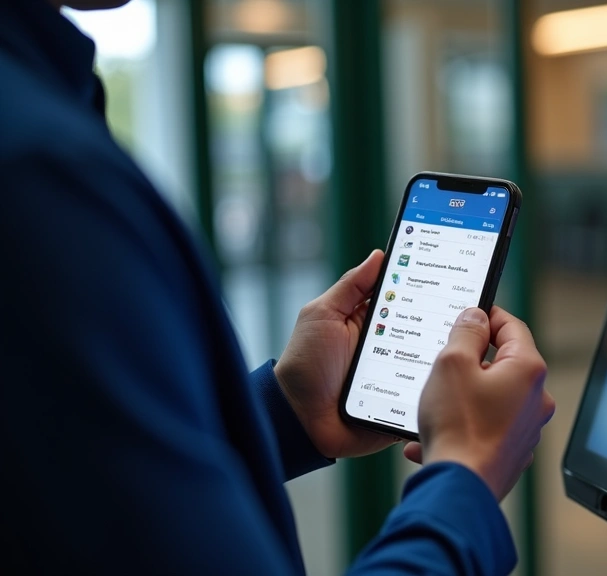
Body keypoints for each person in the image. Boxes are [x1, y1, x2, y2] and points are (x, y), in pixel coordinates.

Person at [0, 1, 556, 574]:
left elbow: (98, 502)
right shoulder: (40, 174)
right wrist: (466, 477)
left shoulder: (43, 116)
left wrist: (287, 413)